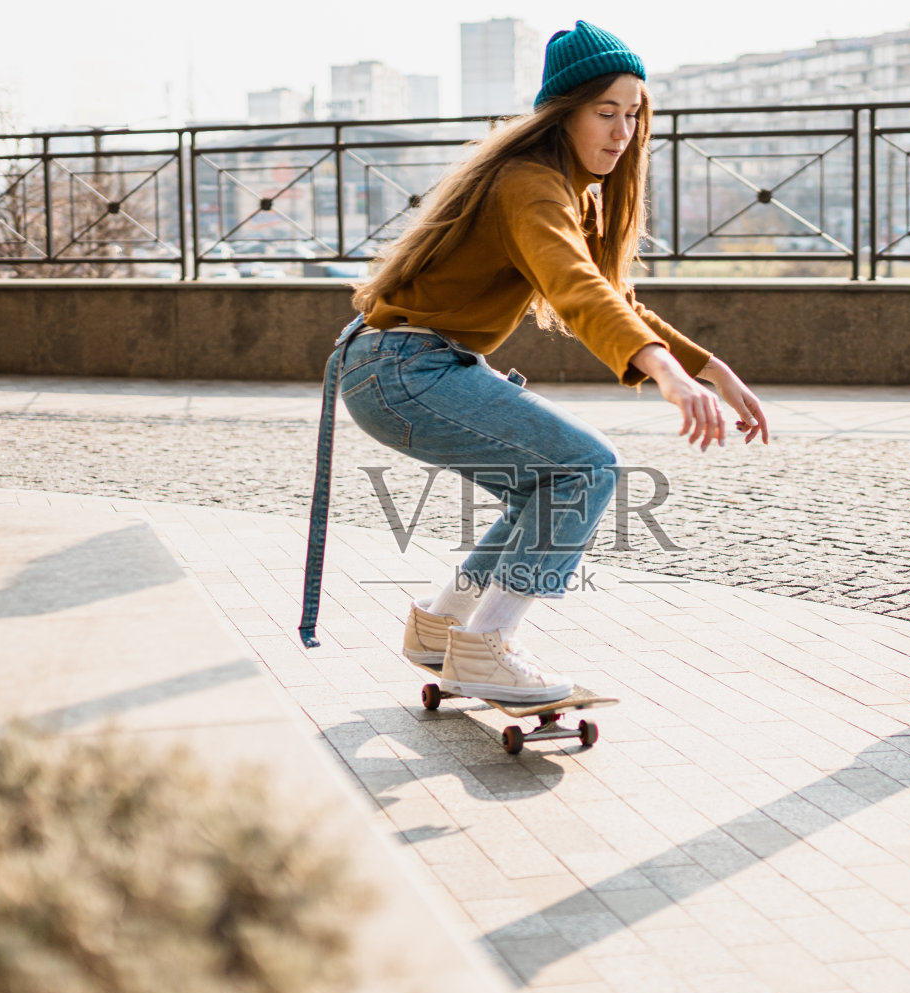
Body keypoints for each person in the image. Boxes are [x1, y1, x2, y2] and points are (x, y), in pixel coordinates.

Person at [300, 20, 769, 701]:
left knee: (543, 489)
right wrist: (665, 373)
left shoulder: (569, 192)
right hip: (405, 366)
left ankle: (440, 624)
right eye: (604, 112)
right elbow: (576, 289)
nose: (622, 131)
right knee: (588, 466)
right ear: (563, 113)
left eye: (633, 114)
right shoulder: (529, 184)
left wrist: (712, 370)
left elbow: (613, 296)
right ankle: (487, 647)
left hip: (396, 365)